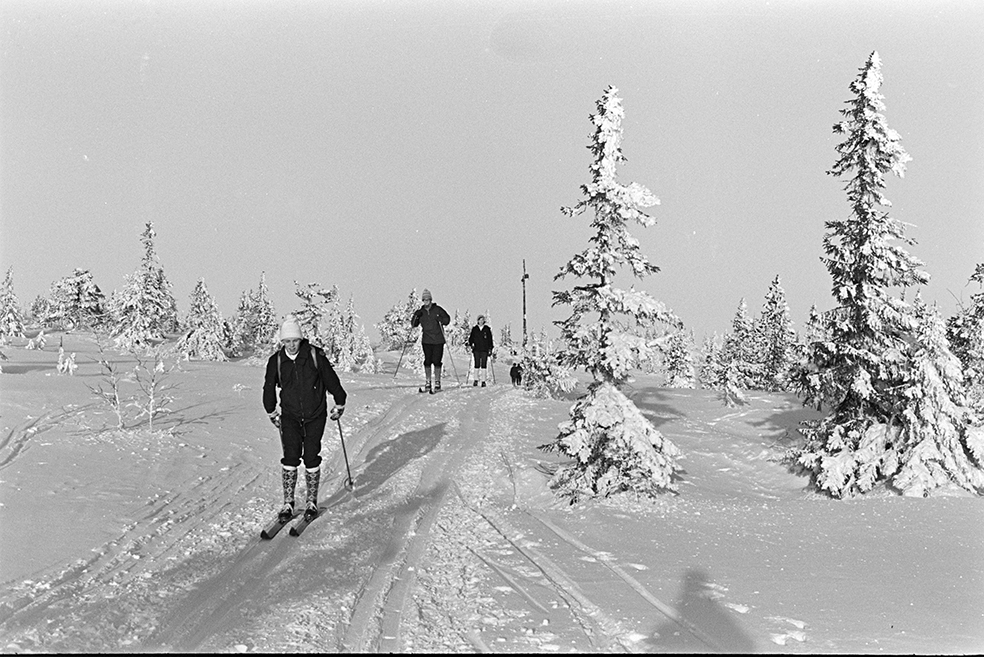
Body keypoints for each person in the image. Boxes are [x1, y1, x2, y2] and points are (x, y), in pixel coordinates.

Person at [263, 317, 347, 522]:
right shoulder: (277, 360)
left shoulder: (314, 355)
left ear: (300, 339)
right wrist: (271, 411)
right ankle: (288, 503)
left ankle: (311, 502)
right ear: (282, 342)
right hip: (290, 415)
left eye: (295, 340)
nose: (291, 345)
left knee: (311, 455)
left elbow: (331, 379)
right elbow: (268, 386)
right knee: (290, 456)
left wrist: (340, 402)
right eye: (287, 341)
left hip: (315, 414)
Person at [410, 289, 451, 393]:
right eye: (424, 300)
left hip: (438, 340)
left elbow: (447, 319)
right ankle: (428, 382)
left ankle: (437, 382)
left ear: (431, 300)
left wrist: (441, 319)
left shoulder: (437, 309)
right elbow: (414, 324)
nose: (426, 301)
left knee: (437, 361)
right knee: (427, 361)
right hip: (427, 340)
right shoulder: (421, 312)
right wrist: (416, 316)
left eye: (428, 299)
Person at [467, 315, 494, 387]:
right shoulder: (475, 329)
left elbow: (490, 339)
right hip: (476, 349)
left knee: (484, 365)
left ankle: (483, 381)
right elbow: (471, 338)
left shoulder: (487, 329)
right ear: (478, 321)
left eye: (482, 320)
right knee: (477, 364)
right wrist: (471, 344)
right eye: (480, 320)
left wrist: (490, 348)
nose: (481, 321)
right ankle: (475, 380)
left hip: (484, 349)